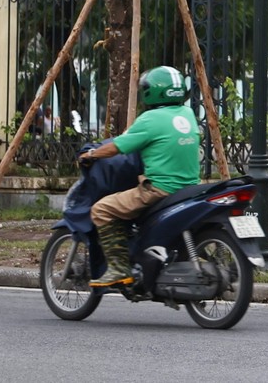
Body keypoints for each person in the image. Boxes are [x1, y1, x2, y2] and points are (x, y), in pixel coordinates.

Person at [79, 66, 201, 288]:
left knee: (101, 209)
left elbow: (116, 147)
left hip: (159, 190)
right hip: (189, 190)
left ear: (153, 91)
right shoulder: (188, 113)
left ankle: (117, 268)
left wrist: (91, 154)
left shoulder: (150, 119)